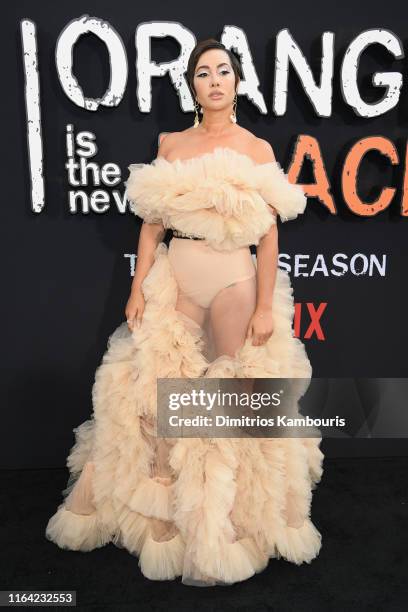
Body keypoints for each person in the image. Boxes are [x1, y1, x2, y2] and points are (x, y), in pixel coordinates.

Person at [45, 39, 324, 587]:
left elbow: (269, 239)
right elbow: (151, 224)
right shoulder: (171, 144)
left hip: (235, 281)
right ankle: (162, 520)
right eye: (203, 72)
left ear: (237, 82)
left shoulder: (258, 149)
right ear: (193, 85)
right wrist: (138, 287)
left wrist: (265, 306)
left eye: (224, 71)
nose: (215, 80)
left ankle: (223, 529)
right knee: (151, 391)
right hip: (178, 276)